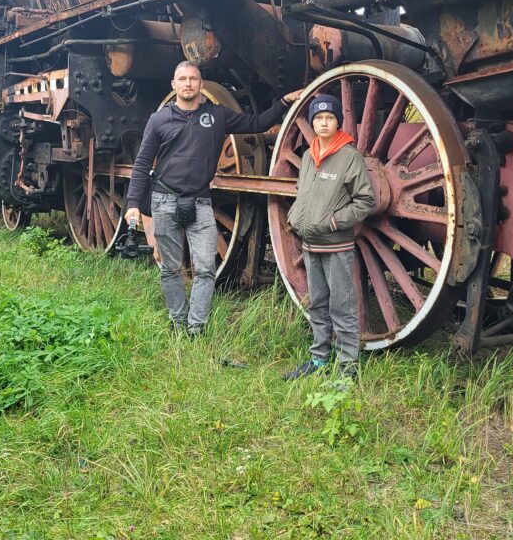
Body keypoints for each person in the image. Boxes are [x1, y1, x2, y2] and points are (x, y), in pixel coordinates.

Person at [125, 61, 302, 336]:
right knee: (170, 268)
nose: (188, 84)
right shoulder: (159, 120)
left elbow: (257, 123)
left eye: (193, 79)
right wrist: (133, 205)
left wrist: (284, 102)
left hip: (200, 202)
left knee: (206, 268)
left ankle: (196, 327)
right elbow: (142, 163)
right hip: (164, 200)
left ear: (200, 84)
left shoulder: (217, 115)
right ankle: (178, 321)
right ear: (174, 85)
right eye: (182, 79)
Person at [283, 93, 375, 380]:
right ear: (313, 122)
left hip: (336, 245)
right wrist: (296, 216)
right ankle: (319, 358)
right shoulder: (309, 156)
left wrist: (335, 222)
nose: (323, 123)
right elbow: (304, 193)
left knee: (342, 306)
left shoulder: (349, 157)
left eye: (329, 118)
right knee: (318, 304)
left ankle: (348, 367)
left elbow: (366, 201)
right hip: (310, 245)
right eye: (319, 118)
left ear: (338, 122)